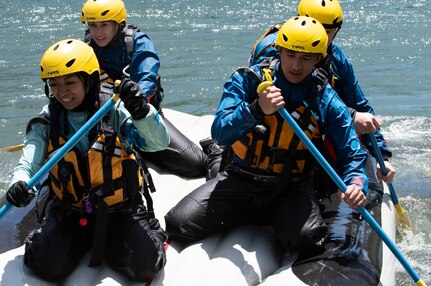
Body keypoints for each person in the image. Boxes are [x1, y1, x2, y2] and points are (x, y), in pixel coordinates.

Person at [165, 16, 367, 257]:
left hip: (290, 187)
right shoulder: (248, 80)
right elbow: (220, 131)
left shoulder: (326, 99)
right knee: (178, 224)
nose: (296, 65)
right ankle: (218, 164)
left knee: (307, 239)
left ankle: (276, 215)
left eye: (306, 58)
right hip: (242, 178)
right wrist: (255, 110)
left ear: (319, 59)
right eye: (290, 54)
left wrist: (357, 182)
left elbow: (351, 153)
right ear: (279, 50)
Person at [5, 39, 168, 282]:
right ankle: (69, 239)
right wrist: (19, 183)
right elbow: (28, 163)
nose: (61, 92)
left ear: (90, 80)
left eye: (70, 82)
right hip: (71, 211)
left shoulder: (114, 109)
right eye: (54, 84)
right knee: (43, 265)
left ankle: (136, 234)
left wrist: (141, 110)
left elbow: (158, 143)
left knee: (145, 267)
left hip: (119, 209)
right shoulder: (48, 120)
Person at [248, 0, 396, 183]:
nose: (320, 37)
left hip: (315, 125)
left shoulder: (336, 57)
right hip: (271, 128)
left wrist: (382, 155)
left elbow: (359, 103)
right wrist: (351, 115)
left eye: (327, 32)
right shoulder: (276, 49)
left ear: (336, 31)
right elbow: (289, 95)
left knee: (360, 169)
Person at [80, 0, 221, 180]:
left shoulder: (138, 42)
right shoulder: (86, 48)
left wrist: (137, 102)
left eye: (104, 25)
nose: (98, 32)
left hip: (142, 118)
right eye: (92, 25)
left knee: (197, 166)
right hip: (106, 123)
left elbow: (147, 77)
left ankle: (212, 150)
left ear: (119, 23)